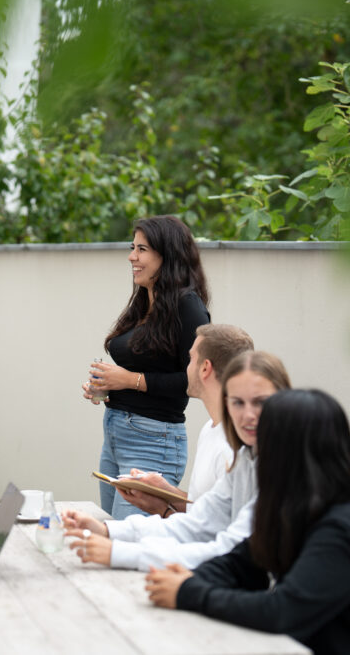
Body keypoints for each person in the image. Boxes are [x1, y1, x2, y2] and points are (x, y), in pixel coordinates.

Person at [145, 389, 350, 655]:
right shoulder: (290, 506)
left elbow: (282, 611)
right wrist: (190, 579)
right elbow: (239, 563)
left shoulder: (341, 525)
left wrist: (190, 593)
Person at [65, 351, 290, 571]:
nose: (248, 414)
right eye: (238, 403)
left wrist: (119, 551)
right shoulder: (244, 457)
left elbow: (230, 550)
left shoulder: (280, 464)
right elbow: (199, 523)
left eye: (260, 402)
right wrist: (108, 531)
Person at [84, 215, 211, 520]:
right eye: (133, 247)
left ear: (167, 255)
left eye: (142, 249)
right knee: (114, 530)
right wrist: (106, 386)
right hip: (117, 432)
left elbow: (195, 381)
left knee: (129, 540)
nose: (132, 256)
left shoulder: (188, 306)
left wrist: (130, 380)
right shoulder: (144, 302)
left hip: (153, 440)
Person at [116, 323, 254, 516]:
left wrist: (163, 510)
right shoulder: (210, 428)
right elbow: (204, 510)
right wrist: (165, 491)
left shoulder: (234, 448)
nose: (186, 368)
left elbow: (219, 535)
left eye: (190, 359)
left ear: (205, 368)